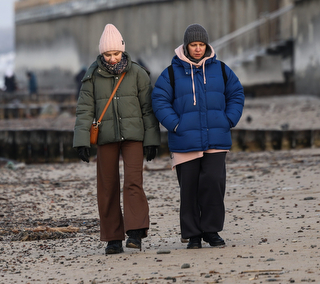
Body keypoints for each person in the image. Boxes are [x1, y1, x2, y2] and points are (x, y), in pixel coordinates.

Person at [151, 24, 244, 249]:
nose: (198, 49)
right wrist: (175, 125)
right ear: (186, 46)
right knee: (189, 188)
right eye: (193, 45)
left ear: (207, 45)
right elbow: (159, 100)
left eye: (201, 44)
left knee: (214, 183)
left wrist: (228, 120)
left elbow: (236, 94)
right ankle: (193, 235)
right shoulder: (171, 73)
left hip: (216, 138)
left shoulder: (221, 70)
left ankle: (211, 231)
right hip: (184, 140)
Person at [74, 24, 160, 254]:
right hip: (106, 138)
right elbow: (84, 110)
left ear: (123, 50)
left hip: (134, 137)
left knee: (133, 182)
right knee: (107, 186)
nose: (112, 59)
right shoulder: (92, 76)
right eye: (107, 54)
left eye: (116, 54)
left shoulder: (138, 73)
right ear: (101, 53)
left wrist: (152, 140)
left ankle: (135, 232)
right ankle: (113, 238)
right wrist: (81, 140)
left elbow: (148, 110)